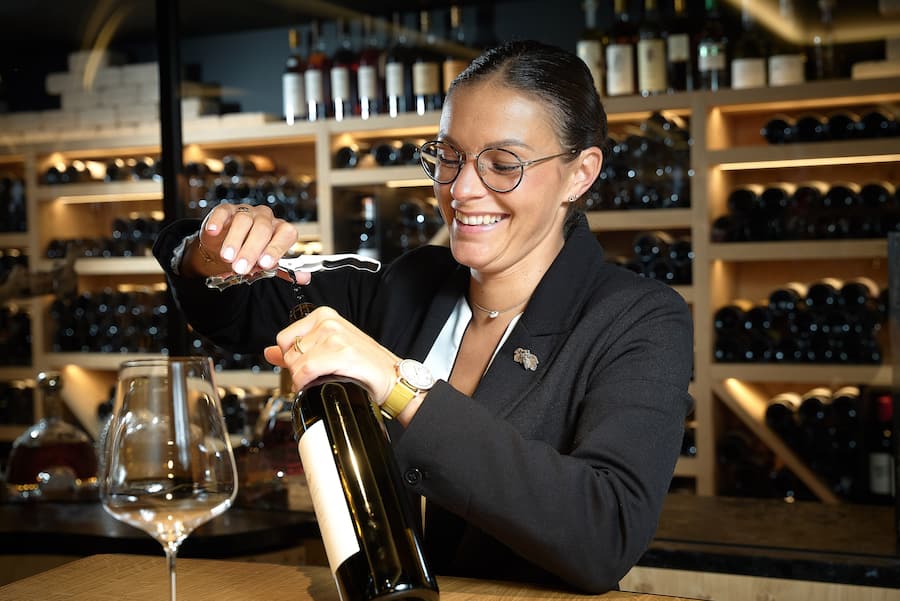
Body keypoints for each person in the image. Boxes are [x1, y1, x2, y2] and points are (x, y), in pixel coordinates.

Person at [153, 40, 693, 594]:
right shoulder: (403, 285)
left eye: (503, 165)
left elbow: (604, 533)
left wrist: (397, 386)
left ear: (581, 173)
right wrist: (212, 249)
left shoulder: (639, 320)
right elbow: (234, 309)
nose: (460, 189)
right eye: (448, 156)